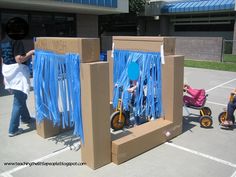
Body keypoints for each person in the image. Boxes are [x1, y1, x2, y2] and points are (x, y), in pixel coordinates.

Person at [1, 17, 35, 137]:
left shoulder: (3, 41)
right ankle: (13, 129)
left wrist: (4, 78)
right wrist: (31, 53)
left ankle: (25, 118)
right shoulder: (15, 40)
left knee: (20, 97)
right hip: (17, 73)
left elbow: (2, 59)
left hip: (8, 73)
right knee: (18, 100)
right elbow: (19, 59)